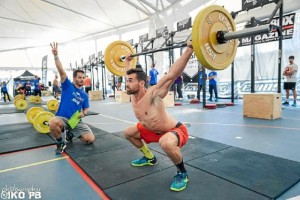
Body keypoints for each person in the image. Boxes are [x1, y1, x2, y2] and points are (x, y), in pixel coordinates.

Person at [123, 41, 193, 192]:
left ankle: (182, 173)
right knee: (128, 133)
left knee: (166, 143)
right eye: (126, 81)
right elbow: (128, 73)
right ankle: (149, 158)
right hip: (151, 130)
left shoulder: (153, 94)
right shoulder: (133, 94)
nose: (126, 84)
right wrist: (128, 62)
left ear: (141, 83)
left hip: (174, 131)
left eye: (130, 81)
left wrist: (189, 50)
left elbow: (172, 74)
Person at [49, 42, 95, 154]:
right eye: (79, 77)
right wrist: (56, 56)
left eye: (83, 78)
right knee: (52, 122)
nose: (82, 80)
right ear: (74, 78)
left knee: (90, 140)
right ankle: (60, 142)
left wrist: (83, 114)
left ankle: (71, 132)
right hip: (62, 118)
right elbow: (62, 72)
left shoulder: (84, 95)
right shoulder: (67, 86)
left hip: (75, 121)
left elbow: (86, 109)